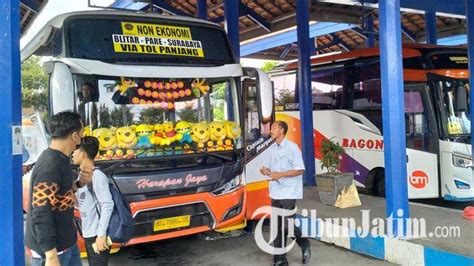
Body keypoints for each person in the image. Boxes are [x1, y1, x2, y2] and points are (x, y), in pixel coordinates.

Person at [25, 111, 93, 266]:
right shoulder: (50, 166)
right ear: (74, 136)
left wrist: (80, 183)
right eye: (82, 133)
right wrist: (50, 255)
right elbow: (41, 212)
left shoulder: (61, 158)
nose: (83, 137)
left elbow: (60, 195)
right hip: (52, 252)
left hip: (67, 245)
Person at [259, 121, 311, 266]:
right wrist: (264, 170)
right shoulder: (271, 149)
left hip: (289, 190)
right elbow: (265, 167)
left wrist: (280, 175)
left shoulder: (292, 148)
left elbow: (300, 170)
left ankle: (304, 243)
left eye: (274, 128)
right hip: (275, 191)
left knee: (287, 224)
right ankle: (280, 259)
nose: (271, 130)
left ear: (282, 130)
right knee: (277, 225)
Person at [73, 136, 114, 266]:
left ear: (83, 153)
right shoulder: (82, 175)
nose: (72, 154)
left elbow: (107, 205)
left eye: (75, 150)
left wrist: (101, 235)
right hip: (88, 233)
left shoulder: (97, 176)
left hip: (97, 235)